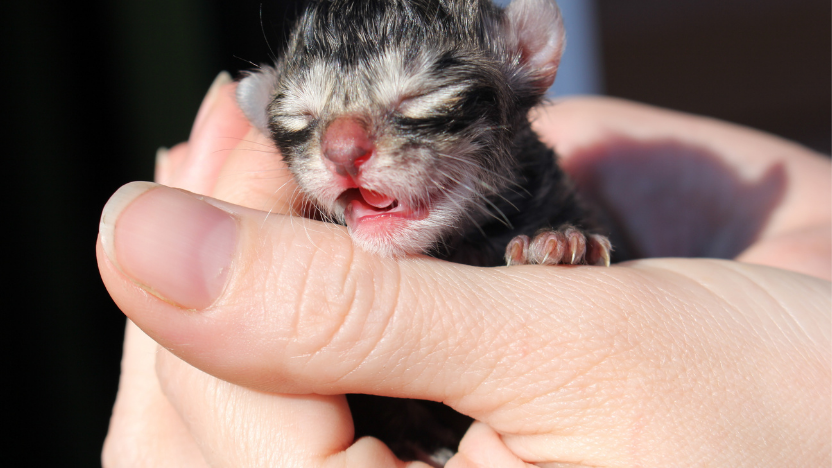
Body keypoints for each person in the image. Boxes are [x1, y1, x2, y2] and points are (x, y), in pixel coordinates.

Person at [97, 72, 831, 467]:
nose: (344, 148)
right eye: (302, 121)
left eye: (420, 100)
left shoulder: (545, 185)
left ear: (530, 64)